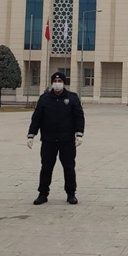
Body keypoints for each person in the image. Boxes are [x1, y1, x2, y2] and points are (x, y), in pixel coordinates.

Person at [27, 72, 85, 205]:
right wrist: (31, 135)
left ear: (64, 83)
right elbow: (37, 117)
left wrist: (79, 134)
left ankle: (71, 194)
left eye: (60, 80)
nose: (57, 83)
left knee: (69, 167)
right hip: (49, 140)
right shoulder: (44, 99)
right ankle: (43, 193)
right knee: (46, 167)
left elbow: (79, 117)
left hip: (67, 140)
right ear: (52, 82)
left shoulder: (72, 98)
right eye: (55, 80)